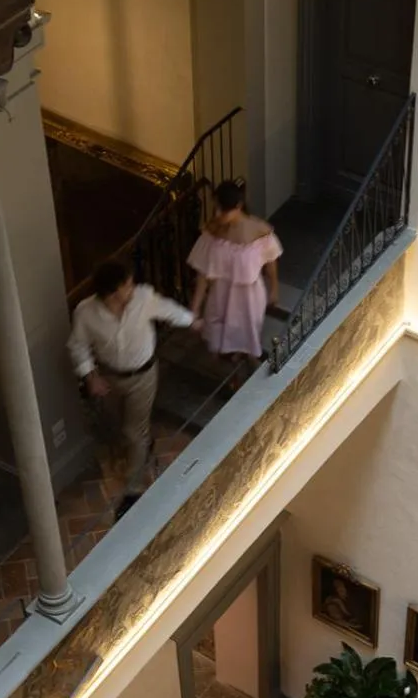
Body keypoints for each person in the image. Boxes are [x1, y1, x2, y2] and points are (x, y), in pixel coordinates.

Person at [67, 259, 197, 519]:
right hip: (109, 378)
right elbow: (78, 345)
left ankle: (133, 491)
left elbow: (168, 309)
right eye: (128, 284)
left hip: (144, 376)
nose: (132, 287)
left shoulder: (143, 298)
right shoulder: (86, 313)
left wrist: (192, 320)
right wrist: (90, 376)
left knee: (133, 430)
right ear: (113, 292)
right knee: (117, 425)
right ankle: (141, 447)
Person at [188, 180, 282, 383]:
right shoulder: (213, 232)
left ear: (238, 207)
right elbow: (203, 272)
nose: (219, 215)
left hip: (249, 294)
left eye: (224, 210)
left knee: (247, 329)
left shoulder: (259, 230)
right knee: (219, 334)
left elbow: (271, 262)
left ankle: (248, 358)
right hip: (221, 293)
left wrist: (274, 288)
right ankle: (228, 374)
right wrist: (195, 308)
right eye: (218, 209)